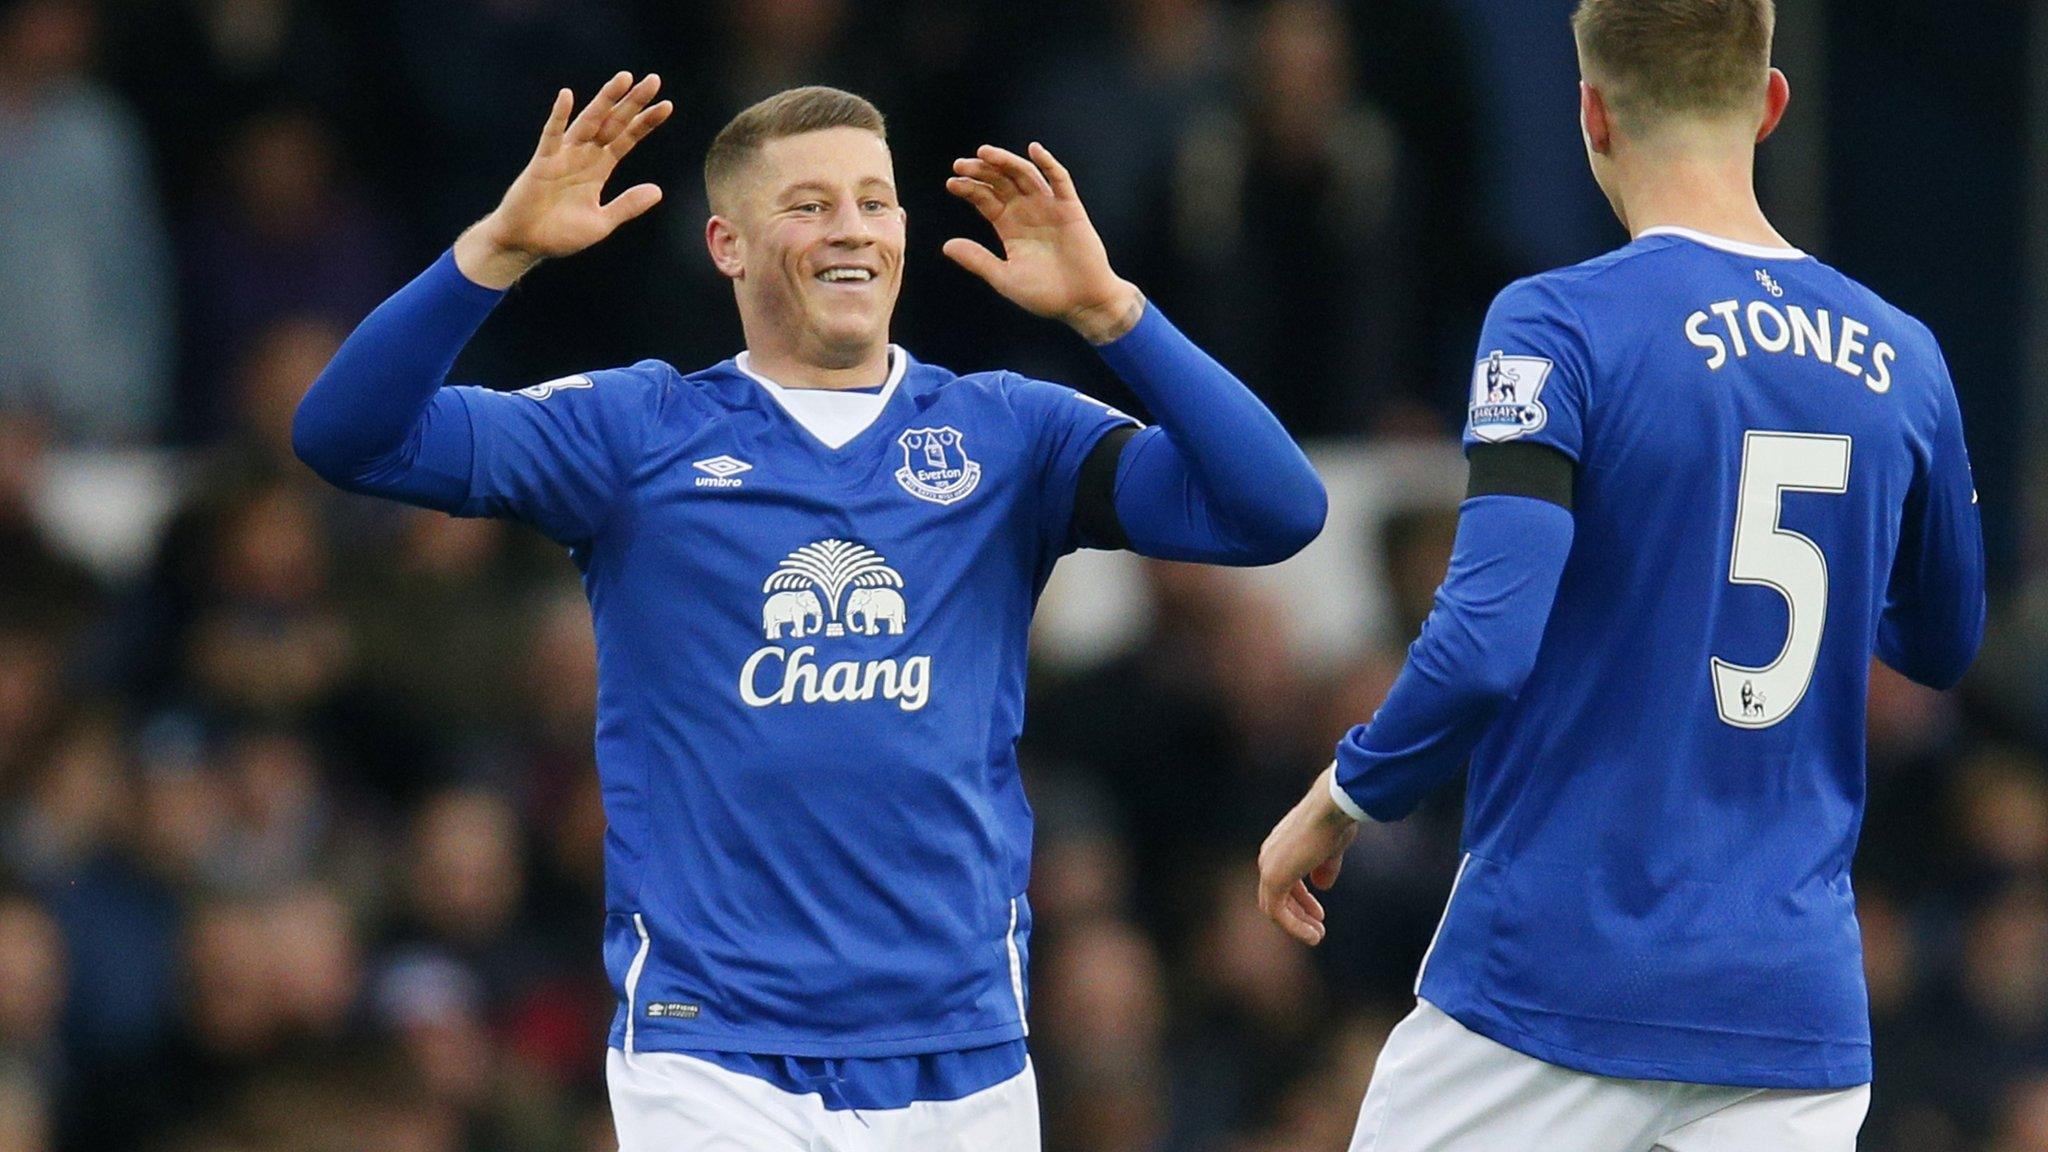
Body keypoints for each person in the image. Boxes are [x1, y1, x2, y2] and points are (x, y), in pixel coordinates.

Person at [292, 77, 1325, 1150]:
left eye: (875, 203)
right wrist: (495, 251)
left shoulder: (1009, 434)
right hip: (718, 1056)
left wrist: (1114, 314)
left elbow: (1273, 510)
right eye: (810, 205)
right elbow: (347, 436)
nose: (852, 231)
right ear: (727, 245)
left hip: (960, 1054)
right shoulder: (636, 433)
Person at [1254, 2, 1985, 1150]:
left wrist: (1345, 794)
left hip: (1553, 979)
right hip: (1788, 1010)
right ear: (1769, 104)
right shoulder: (1902, 355)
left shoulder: (1554, 327)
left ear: (1591, 114)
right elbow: (1941, 641)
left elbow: (1484, 639)